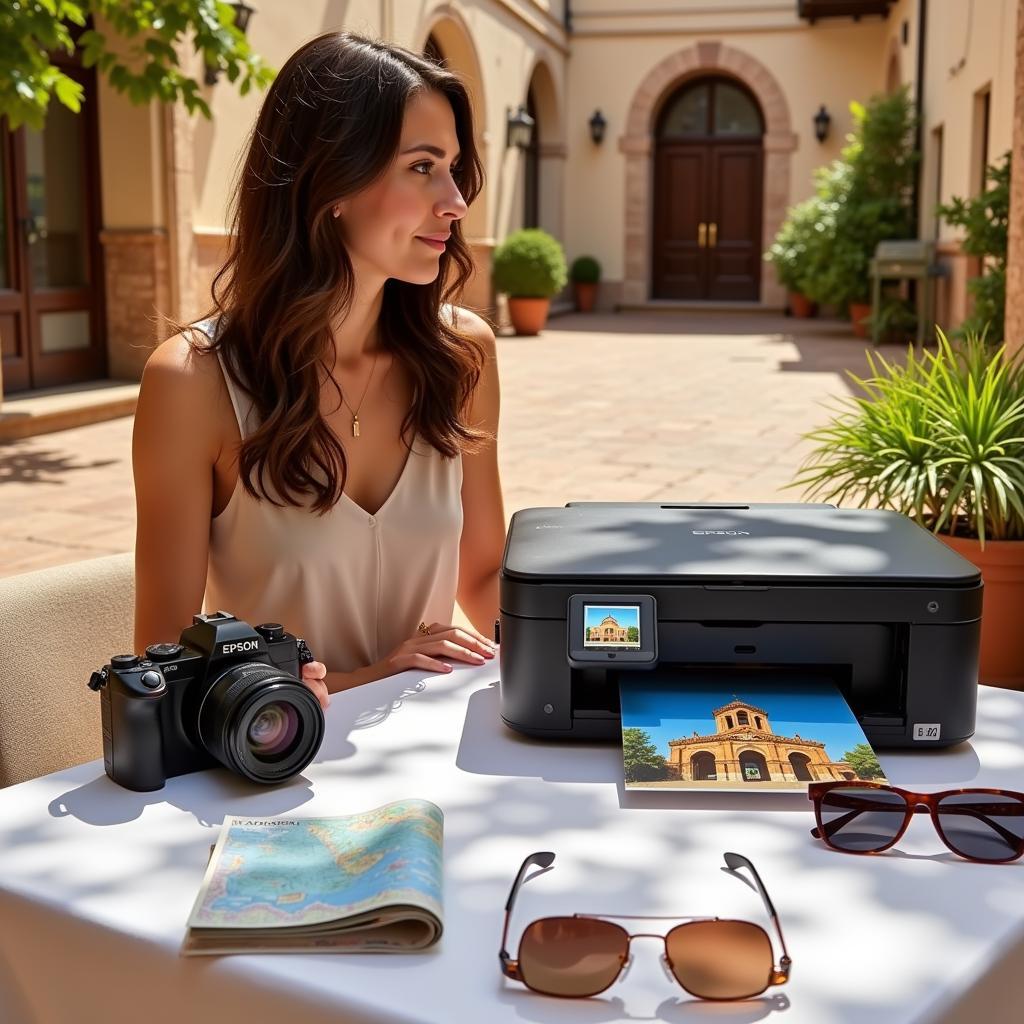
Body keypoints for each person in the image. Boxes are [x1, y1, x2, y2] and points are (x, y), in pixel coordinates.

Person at [132, 33, 505, 711]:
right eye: (422, 167)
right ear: (332, 181)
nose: (455, 200)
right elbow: (162, 672)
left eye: (453, 167)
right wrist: (374, 679)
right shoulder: (192, 381)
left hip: (430, 762)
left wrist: (597, 656)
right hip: (270, 779)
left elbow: (481, 576)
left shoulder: (463, 355)